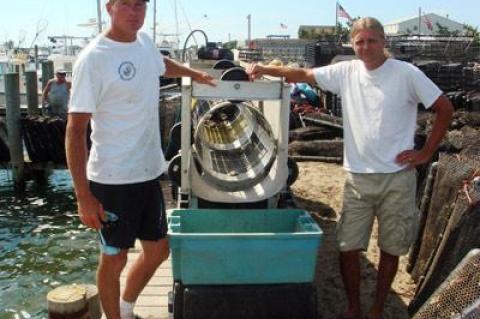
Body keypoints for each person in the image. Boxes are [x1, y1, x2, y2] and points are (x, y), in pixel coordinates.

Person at [247, 17, 453, 319]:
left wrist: (425, 153)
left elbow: (444, 108)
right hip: (357, 178)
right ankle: (354, 306)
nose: (366, 47)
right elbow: (302, 73)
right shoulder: (345, 72)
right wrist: (265, 69)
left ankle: (377, 308)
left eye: (371, 40)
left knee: (390, 248)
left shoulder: (407, 74)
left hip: (397, 178)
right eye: (360, 41)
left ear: (384, 41)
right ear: (352, 44)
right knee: (347, 247)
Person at [65, 0, 215, 318]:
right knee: (115, 257)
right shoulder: (93, 58)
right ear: (109, 7)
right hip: (112, 178)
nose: (135, 12)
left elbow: (161, 64)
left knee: (159, 250)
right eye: (127, 5)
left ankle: (126, 306)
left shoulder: (144, 43)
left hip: (148, 171)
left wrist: (195, 75)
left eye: (141, 5)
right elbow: (75, 130)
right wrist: (83, 196)